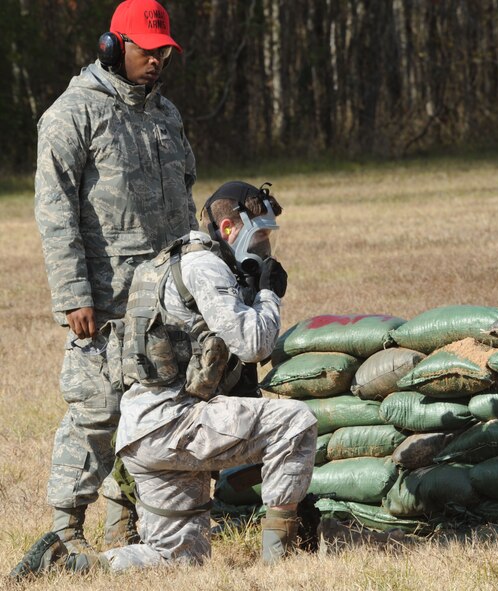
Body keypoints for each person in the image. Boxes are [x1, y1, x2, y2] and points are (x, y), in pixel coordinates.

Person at [10, 181, 318, 579]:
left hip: (144, 435)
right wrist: (268, 295)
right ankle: (280, 564)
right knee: (296, 422)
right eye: (259, 234)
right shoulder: (204, 267)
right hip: (176, 425)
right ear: (228, 229)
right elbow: (254, 344)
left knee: (179, 560)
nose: (265, 246)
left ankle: (73, 565)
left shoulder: (172, 260)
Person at [33, 0, 197, 553]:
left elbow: (187, 196)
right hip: (106, 302)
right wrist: (74, 293)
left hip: (168, 299)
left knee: (155, 409)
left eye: (163, 52)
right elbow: (54, 212)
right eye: (145, 50)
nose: (155, 61)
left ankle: (124, 522)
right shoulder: (72, 114)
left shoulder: (165, 115)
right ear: (112, 46)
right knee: (95, 414)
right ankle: (63, 534)